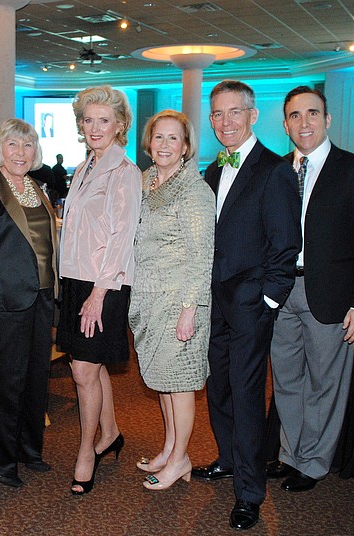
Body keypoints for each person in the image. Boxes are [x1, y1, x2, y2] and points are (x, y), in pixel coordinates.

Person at [192, 80, 301, 530]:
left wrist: (269, 301)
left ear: (253, 116)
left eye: (234, 112)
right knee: (218, 387)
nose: (225, 122)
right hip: (213, 302)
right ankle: (228, 459)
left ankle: (250, 492)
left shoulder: (274, 170)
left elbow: (285, 246)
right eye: (217, 114)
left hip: (251, 304)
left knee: (247, 393)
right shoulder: (214, 171)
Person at [267, 86, 354, 492]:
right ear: (285, 125)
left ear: (327, 119)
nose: (304, 123)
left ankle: (312, 463)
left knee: (324, 383)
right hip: (280, 295)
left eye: (312, 113)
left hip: (331, 296)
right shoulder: (276, 170)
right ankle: (289, 453)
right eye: (295, 116)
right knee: (286, 380)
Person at [0, 118, 59, 489]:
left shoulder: (37, 188)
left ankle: (29, 450)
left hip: (40, 299)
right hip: (2, 302)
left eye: (28, 145)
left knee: (37, 378)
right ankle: (1, 460)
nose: (21, 153)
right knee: (6, 382)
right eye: (13, 145)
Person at [57, 85, 141, 495]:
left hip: (102, 283)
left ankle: (87, 451)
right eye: (87, 120)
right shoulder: (84, 167)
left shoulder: (125, 173)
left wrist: (98, 293)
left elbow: (122, 237)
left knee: (82, 370)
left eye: (103, 120)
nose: (94, 127)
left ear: (120, 125)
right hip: (75, 279)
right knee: (91, 365)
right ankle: (110, 433)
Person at [129, 110, 214, 491]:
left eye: (173, 139)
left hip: (180, 301)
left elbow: (202, 255)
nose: (164, 145)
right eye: (158, 137)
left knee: (179, 383)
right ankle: (168, 448)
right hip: (148, 299)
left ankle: (180, 459)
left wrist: (189, 309)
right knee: (161, 381)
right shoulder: (146, 180)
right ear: (149, 143)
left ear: (186, 146)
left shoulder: (194, 191)